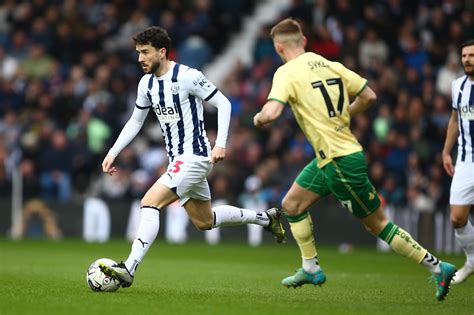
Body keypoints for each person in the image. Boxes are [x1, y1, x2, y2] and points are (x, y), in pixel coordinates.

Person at [253, 18, 456, 301]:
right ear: (304, 42)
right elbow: (369, 95)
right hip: (330, 157)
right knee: (292, 204)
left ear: (278, 47)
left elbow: (272, 112)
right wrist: (344, 115)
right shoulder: (330, 65)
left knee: (377, 223)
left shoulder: (286, 73)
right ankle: (310, 268)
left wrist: (259, 117)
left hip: (340, 161)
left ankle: (438, 267)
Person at [99, 26, 285, 288]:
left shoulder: (187, 76)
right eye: (138, 53)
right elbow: (135, 121)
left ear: (162, 52)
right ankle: (265, 218)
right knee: (204, 221)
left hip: (195, 157)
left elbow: (224, 103)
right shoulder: (146, 84)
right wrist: (113, 152)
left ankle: (129, 267)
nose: (140, 58)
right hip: (178, 160)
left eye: (145, 52)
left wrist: (220, 144)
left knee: (149, 202)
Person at [442, 39, 474, 284]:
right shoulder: (458, 85)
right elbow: (454, 120)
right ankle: (472, 260)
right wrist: (446, 152)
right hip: (465, 160)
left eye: (471, 55)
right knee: (457, 217)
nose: (467, 59)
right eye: (464, 55)